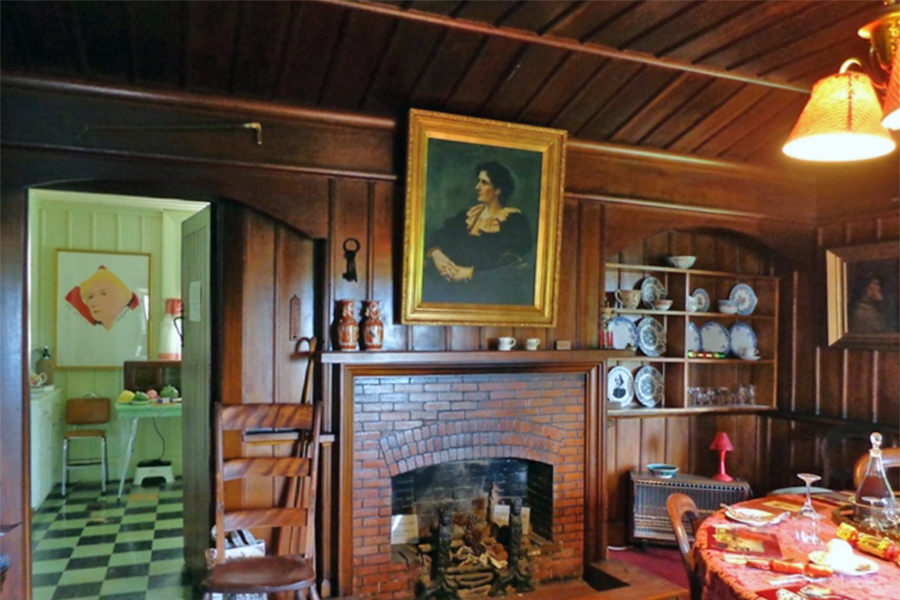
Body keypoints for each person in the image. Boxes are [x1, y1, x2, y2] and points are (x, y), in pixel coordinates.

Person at [423, 161, 535, 305]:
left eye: (484, 183)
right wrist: (437, 255)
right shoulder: (468, 216)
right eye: (478, 182)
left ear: (498, 189)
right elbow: (439, 235)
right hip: (454, 293)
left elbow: (511, 267)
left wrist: (469, 274)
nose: (477, 187)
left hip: (492, 298)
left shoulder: (514, 221)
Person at [65, 266, 141, 330]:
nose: (94, 302)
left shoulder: (131, 323)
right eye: (90, 296)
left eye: (103, 294)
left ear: (121, 297)